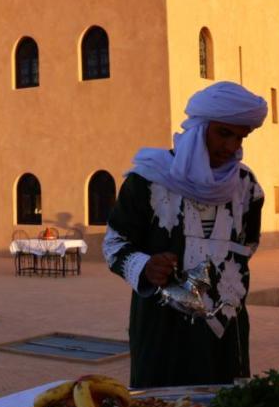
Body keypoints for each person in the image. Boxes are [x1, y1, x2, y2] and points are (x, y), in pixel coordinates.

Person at [104, 82, 269, 388]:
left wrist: (215, 263)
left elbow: (248, 244)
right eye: (223, 133)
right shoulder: (147, 180)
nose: (232, 146)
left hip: (226, 330)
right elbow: (114, 244)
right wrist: (145, 265)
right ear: (199, 127)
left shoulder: (246, 186)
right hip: (163, 331)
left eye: (240, 137)